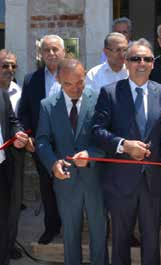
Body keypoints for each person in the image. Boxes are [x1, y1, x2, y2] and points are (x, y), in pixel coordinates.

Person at [92, 39, 161, 265]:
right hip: (120, 180)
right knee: (120, 241)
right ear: (126, 63)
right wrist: (123, 144)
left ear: (152, 64)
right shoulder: (109, 93)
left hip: (153, 180)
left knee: (152, 241)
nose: (141, 63)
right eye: (135, 58)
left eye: (147, 59)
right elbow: (97, 131)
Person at [36, 58, 107, 265]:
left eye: (80, 82)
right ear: (58, 80)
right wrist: (52, 163)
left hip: (95, 179)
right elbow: (42, 141)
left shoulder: (100, 98)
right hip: (65, 181)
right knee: (70, 235)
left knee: (99, 234)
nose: (76, 89)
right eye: (68, 84)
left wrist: (92, 154)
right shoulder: (47, 105)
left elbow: (107, 136)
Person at [18, 34, 65, 244]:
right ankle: (51, 227)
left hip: (69, 143)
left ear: (64, 52)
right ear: (41, 54)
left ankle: (72, 225)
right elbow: (24, 112)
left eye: (55, 49)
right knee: (47, 188)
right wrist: (28, 137)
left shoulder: (73, 74)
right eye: (47, 50)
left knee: (71, 187)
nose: (52, 53)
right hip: (42, 145)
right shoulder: (31, 79)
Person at [0, 49, 25, 260]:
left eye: (12, 66)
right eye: (4, 65)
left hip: (8, 159)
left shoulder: (6, 92)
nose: (9, 70)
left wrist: (19, 133)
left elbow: (12, 120)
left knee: (9, 208)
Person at [0, 89, 29, 265]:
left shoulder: (2, 94)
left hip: (2, 168)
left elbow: (12, 121)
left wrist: (17, 134)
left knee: (3, 223)